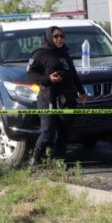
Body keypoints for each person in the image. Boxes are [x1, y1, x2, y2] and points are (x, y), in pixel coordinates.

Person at [27, 26, 87, 167]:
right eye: (56, 36)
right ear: (49, 37)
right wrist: (48, 79)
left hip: (66, 98)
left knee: (64, 131)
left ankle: (58, 161)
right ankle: (35, 160)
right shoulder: (40, 54)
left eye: (61, 36)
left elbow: (73, 75)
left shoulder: (65, 53)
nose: (59, 39)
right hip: (48, 97)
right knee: (47, 132)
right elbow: (31, 75)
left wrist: (82, 92)